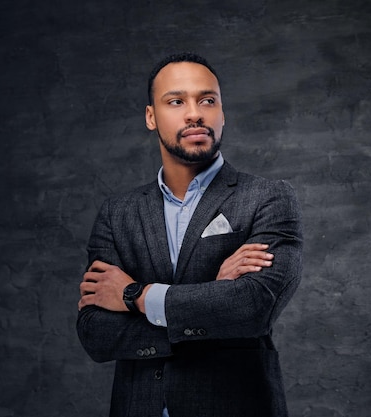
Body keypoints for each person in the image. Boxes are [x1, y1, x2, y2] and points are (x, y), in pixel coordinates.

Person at [77, 52, 303, 417]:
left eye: (207, 100)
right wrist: (213, 300)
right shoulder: (118, 214)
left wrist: (134, 295)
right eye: (176, 101)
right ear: (151, 116)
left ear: (222, 112)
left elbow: (253, 309)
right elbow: (96, 334)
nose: (195, 113)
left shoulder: (268, 197)